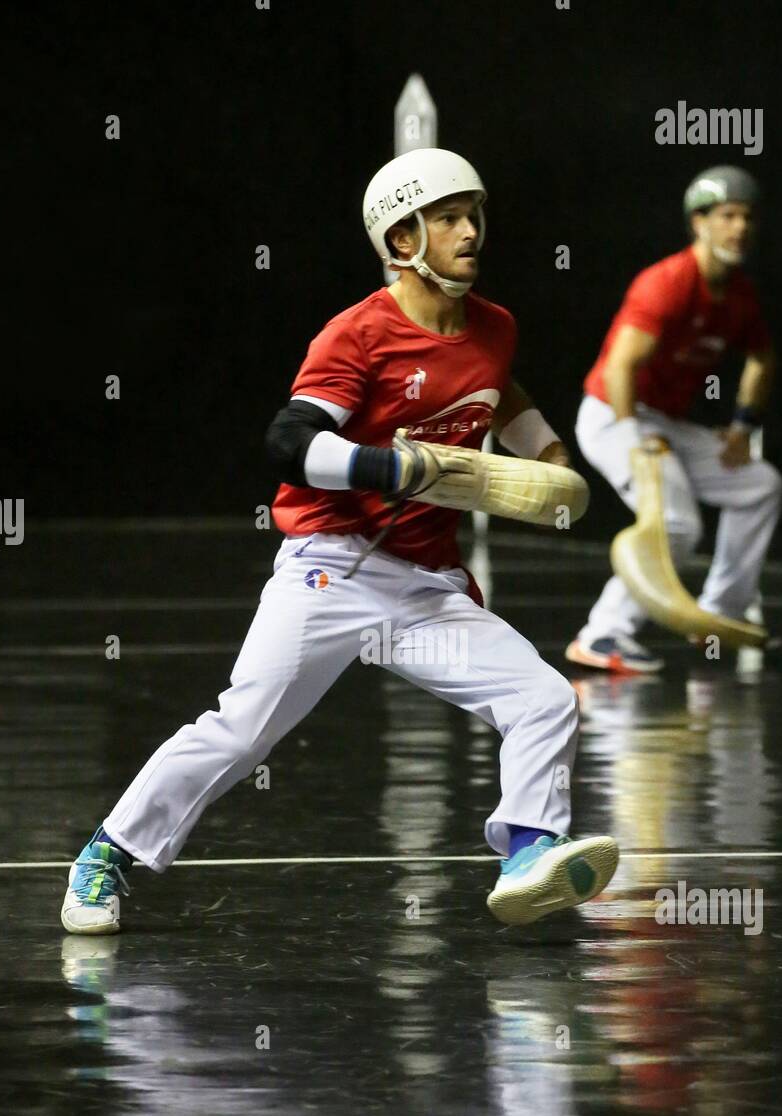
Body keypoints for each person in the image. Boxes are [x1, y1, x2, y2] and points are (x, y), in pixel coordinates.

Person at [61, 148, 618, 935]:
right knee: (243, 726)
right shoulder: (357, 335)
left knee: (544, 698)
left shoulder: (494, 325)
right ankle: (107, 855)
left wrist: (549, 457)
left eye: (474, 215)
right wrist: (392, 469)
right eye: (448, 218)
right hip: (331, 567)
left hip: (426, 588)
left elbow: (500, 386)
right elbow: (290, 444)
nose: (470, 231)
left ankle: (527, 855)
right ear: (401, 242)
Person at [566, 166, 782, 675]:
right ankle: (603, 635)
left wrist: (742, 427)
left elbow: (763, 360)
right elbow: (621, 364)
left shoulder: (739, 296)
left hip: (665, 424)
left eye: (748, 217)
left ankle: (716, 615)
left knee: (761, 484)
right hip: (612, 416)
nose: (740, 228)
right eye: (728, 216)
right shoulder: (666, 283)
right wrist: (632, 438)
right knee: (677, 523)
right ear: (699, 222)